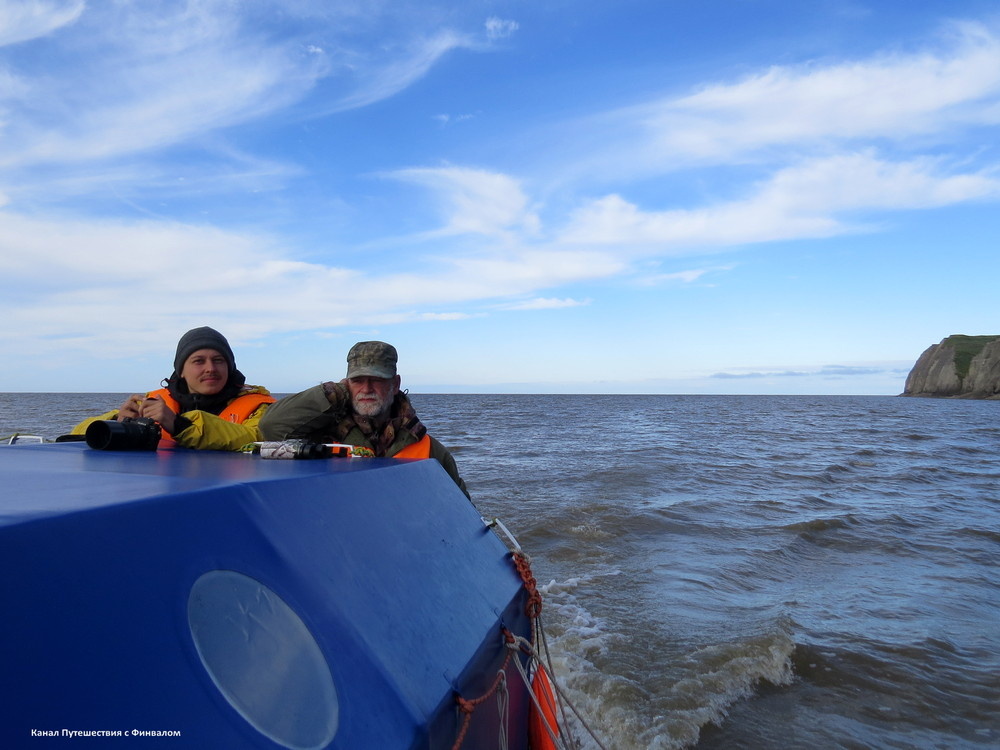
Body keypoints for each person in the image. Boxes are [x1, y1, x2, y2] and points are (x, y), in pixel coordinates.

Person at [259, 341, 469, 497]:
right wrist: (333, 393)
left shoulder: (432, 450)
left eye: (376, 380)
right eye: (357, 381)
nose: (366, 389)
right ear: (346, 383)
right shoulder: (319, 433)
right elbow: (271, 427)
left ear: (395, 384)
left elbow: (464, 513)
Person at [70, 326, 275, 451]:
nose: (210, 368)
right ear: (181, 371)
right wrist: (118, 423)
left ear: (229, 368)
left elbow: (257, 438)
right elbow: (76, 433)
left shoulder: (259, 406)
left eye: (218, 360)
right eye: (199, 361)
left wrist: (178, 424)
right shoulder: (153, 402)